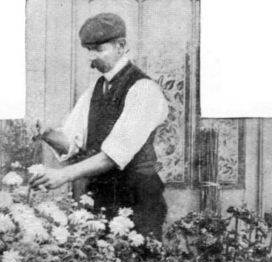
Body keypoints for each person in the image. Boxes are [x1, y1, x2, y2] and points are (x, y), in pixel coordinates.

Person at [29, 12, 168, 239]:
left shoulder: (143, 90)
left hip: (138, 198)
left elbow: (113, 155)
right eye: (88, 50)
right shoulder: (96, 89)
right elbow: (72, 143)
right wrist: (47, 133)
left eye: (98, 49)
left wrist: (64, 175)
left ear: (121, 45)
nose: (90, 57)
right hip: (102, 196)